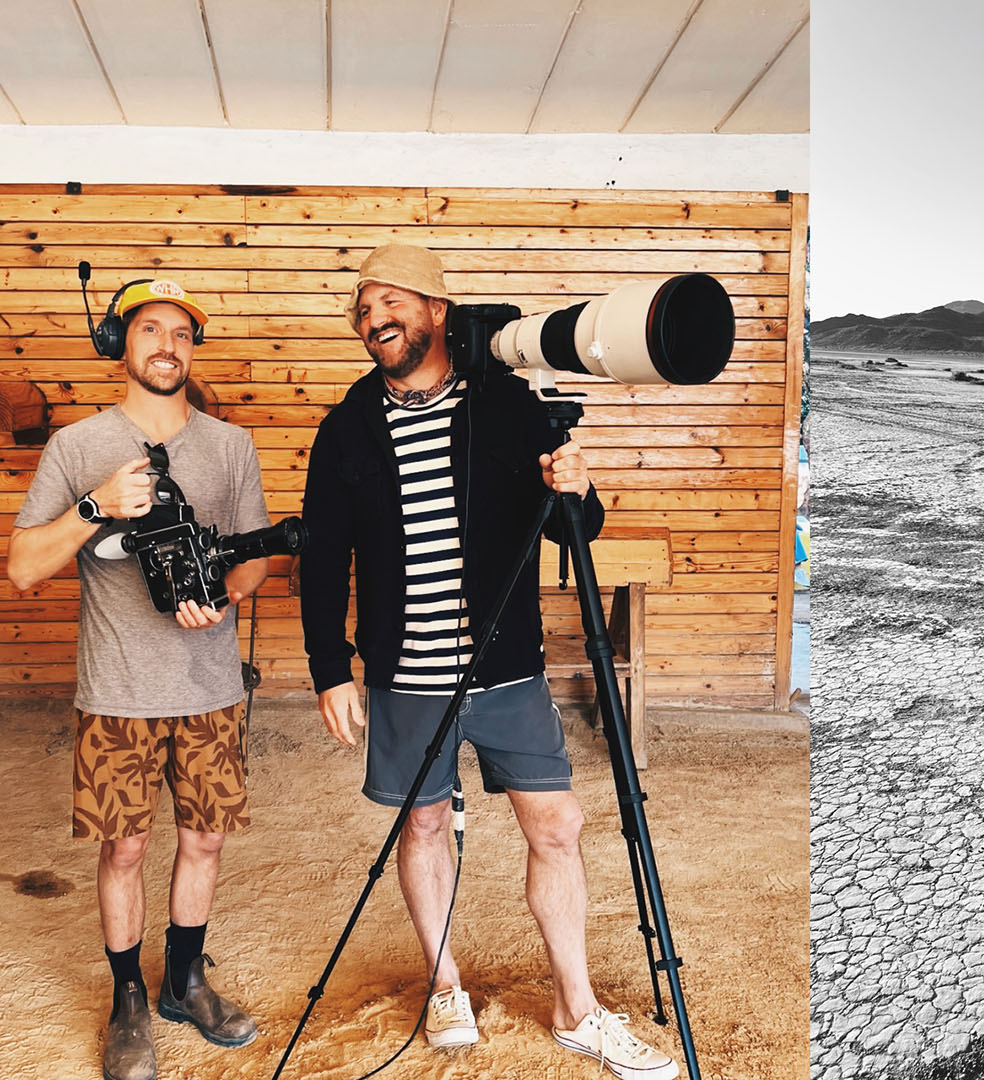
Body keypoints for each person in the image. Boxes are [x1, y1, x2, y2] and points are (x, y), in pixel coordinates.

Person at [299, 244, 678, 1080]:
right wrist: (331, 666)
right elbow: (323, 555)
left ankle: (575, 1006)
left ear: (438, 310)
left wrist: (575, 487)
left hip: (506, 670)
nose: (373, 320)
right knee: (424, 821)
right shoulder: (346, 426)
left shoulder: (507, 404)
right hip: (406, 673)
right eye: (362, 310)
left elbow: (572, 527)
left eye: (389, 302)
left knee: (558, 825)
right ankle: (444, 984)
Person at [6, 281, 267, 1080]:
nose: (167, 345)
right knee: (125, 848)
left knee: (206, 838)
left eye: (182, 333)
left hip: (211, 687)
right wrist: (97, 506)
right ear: (121, 342)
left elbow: (255, 557)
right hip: (118, 691)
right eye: (150, 328)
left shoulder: (230, 447)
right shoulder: (78, 447)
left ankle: (185, 982)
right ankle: (128, 999)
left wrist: (220, 595)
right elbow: (22, 570)